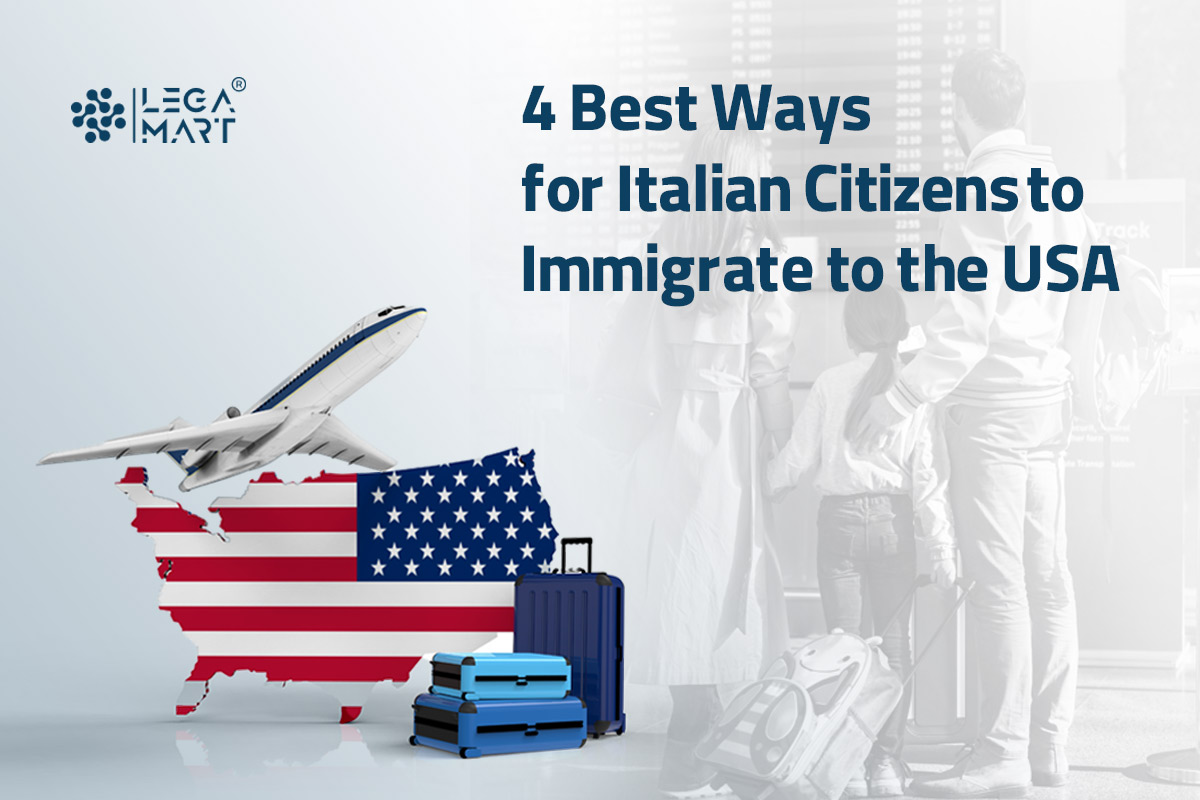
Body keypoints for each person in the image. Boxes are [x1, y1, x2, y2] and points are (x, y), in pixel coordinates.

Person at [856, 48, 1082, 798]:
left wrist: (900, 397)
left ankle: (1000, 756)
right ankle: (1049, 747)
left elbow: (966, 322)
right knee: (1048, 578)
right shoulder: (1058, 184)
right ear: (1018, 107)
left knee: (998, 584)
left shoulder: (980, 188)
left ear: (959, 109)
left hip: (991, 409)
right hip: (1048, 396)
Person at [601, 126, 795, 798]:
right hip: (730, 443)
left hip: (671, 436)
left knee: (683, 590)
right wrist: (784, 448)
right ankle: (712, 760)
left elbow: (639, 363)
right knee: (727, 595)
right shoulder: (761, 254)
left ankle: (690, 748)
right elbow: (769, 367)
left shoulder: (664, 252)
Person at [767, 286, 956, 798]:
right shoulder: (912, 391)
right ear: (899, 328)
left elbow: (797, 459)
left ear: (850, 331)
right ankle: (885, 767)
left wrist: (763, 488)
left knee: (843, 651)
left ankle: (842, 762)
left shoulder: (831, 383)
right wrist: (941, 547)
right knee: (894, 649)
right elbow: (929, 480)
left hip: (841, 526)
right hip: (894, 526)